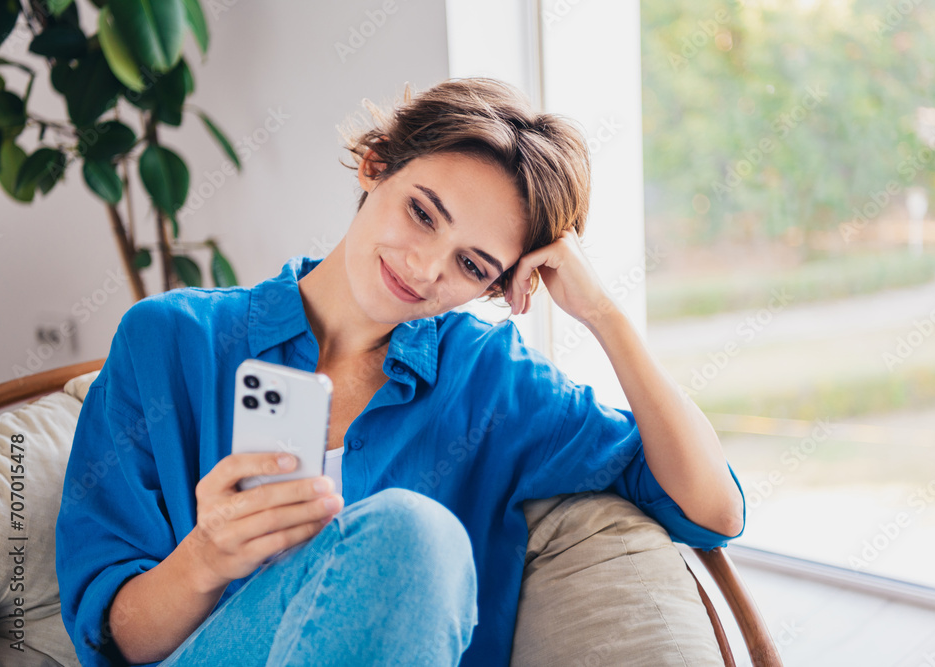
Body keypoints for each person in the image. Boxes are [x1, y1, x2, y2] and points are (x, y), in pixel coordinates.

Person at [56, 77, 745, 667]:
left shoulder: (489, 380)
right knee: (417, 531)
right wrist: (207, 556)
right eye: (422, 212)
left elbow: (711, 508)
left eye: (472, 264)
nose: (424, 268)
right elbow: (117, 638)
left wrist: (602, 314)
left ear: (495, 287)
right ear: (376, 164)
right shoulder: (172, 340)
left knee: (417, 534)